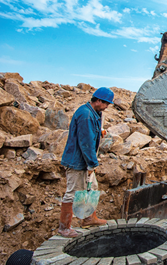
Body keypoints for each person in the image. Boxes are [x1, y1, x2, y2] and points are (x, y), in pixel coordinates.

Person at [58, 87, 114, 238]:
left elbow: (90, 135)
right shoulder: (86, 115)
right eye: (106, 103)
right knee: (73, 193)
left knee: (92, 187)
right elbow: (86, 143)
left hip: (84, 160)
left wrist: (99, 131)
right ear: (98, 101)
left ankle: (89, 218)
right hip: (77, 162)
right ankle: (64, 228)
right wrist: (92, 164)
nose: (107, 106)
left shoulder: (94, 113)